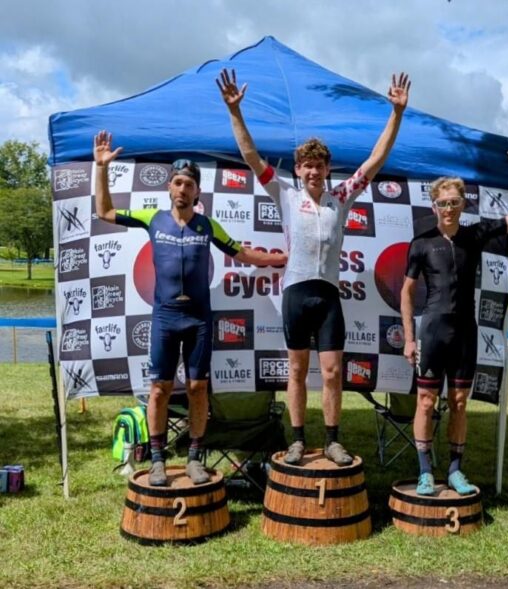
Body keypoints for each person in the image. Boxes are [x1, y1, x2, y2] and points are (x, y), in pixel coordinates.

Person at [217, 68, 411, 466]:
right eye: (306, 165)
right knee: (296, 370)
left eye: (319, 166)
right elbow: (251, 157)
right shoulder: (285, 194)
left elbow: (375, 161)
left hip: (327, 295)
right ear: (298, 169)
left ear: (327, 170)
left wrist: (396, 113)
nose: (312, 171)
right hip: (296, 292)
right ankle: (298, 441)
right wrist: (235, 112)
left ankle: (334, 440)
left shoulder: (341, 196)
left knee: (334, 371)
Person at [94, 130, 287, 486]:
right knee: (159, 390)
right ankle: (156, 461)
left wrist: (285, 257)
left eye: (189, 185)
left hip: (198, 319)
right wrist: (101, 168)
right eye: (177, 182)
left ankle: (195, 457)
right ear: (170, 187)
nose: (182, 189)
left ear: (197, 192)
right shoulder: (152, 219)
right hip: (165, 318)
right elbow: (104, 211)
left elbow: (244, 255)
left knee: (199, 388)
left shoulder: (207, 225)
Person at [401, 134, 508, 495]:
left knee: (460, 402)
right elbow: (406, 291)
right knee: (426, 402)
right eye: (442, 203)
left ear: (463, 204)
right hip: (432, 332)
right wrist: (410, 339)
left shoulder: (475, 235)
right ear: (434, 206)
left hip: (465, 333)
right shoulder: (421, 243)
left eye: (454, 202)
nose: (448, 208)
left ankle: (456, 470)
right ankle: (426, 472)